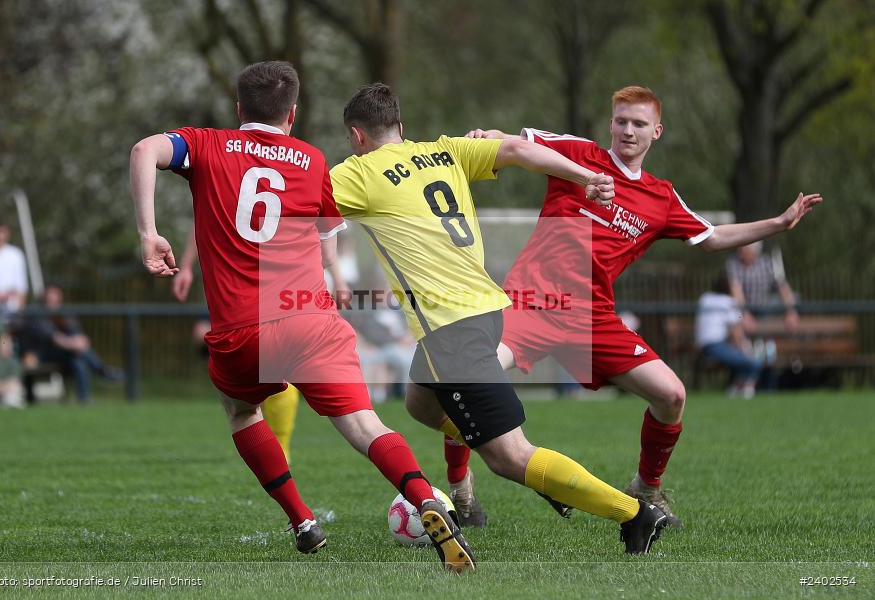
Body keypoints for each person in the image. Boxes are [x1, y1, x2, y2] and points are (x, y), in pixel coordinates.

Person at [129, 61, 474, 572]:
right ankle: (425, 497)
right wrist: (335, 276)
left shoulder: (206, 143)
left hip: (243, 329)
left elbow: (144, 150)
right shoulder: (311, 159)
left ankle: (302, 520)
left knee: (242, 411)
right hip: (309, 318)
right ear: (293, 113)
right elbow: (327, 228)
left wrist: (147, 232)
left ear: (238, 108)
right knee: (364, 425)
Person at [456, 86, 822, 527]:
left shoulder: (661, 198)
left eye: (638, 124)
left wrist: (779, 224)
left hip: (592, 318)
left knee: (671, 395)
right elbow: (514, 144)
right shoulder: (577, 155)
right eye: (621, 120)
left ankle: (646, 487)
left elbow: (712, 237)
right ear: (611, 123)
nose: (628, 130)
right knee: (469, 373)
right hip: (533, 303)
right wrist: (482, 136)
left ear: (657, 132)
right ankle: (462, 486)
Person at [330, 83, 667, 554]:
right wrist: (582, 175)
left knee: (510, 458)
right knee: (420, 405)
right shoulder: (444, 151)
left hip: (451, 327)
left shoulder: (357, 173)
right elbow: (515, 148)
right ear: (401, 128)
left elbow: (302, 203)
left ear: (356, 136)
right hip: (486, 311)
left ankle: (633, 513)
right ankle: (547, 472)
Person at [172, 229, 302, 463]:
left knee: (281, 370)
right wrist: (187, 266)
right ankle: (269, 445)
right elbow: (200, 221)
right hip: (232, 283)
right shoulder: (218, 201)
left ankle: (280, 447)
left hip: (277, 280)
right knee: (249, 384)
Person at [18, 284, 122, 404]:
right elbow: (55, 338)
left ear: (60, 298)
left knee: (78, 361)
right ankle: (101, 371)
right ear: (44, 299)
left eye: (54, 298)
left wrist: (79, 344)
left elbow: (81, 337)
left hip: (65, 354)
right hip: (41, 355)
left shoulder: (66, 314)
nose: (52, 301)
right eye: (49, 298)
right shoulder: (37, 315)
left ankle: (84, 401)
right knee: (78, 354)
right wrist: (75, 345)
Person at [696, 273, 763, 398]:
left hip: (702, 346)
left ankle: (734, 389)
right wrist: (738, 302)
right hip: (716, 346)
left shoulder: (705, 298)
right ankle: (745, 390)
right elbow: (737, 328)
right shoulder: (729, 302)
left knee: (743, 364)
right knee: (754, 363)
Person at [726, 242, 799, 333]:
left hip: (765, 306)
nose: (740, 251)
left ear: (754, 251)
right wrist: (744, 314)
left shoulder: (767, 263)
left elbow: (783, 286)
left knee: (795, 297)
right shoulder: (733, 264)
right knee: (734, 313)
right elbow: (736, 293)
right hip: (742, 309)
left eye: (744, 249)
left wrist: (790, 312)